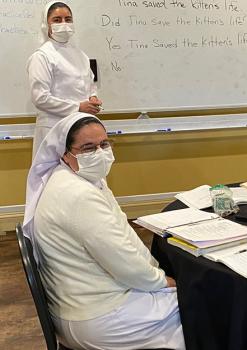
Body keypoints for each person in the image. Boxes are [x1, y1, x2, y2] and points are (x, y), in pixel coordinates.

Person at [22, 112, 185, 349]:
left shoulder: (83, 179)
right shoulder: (78, 195)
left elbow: (123, 233)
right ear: (65, 154)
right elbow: (122, 261)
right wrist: (162, 280)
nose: (100, 153)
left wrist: (154, 271)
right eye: (88, 148)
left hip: (87, 304)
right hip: (99, 316)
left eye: (104, 144)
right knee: (201, 311)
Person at [27, 1, 102, 156]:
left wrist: (93, 98)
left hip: (81, 128)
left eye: (68, 19)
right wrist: (77, 107)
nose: (64, 24)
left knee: (83, 173)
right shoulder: (42, 56)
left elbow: (90, 83)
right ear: (45, 25)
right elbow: (40, 98)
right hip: (53, 129)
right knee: (54, 176)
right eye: (57, 20)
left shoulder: (80, 55)